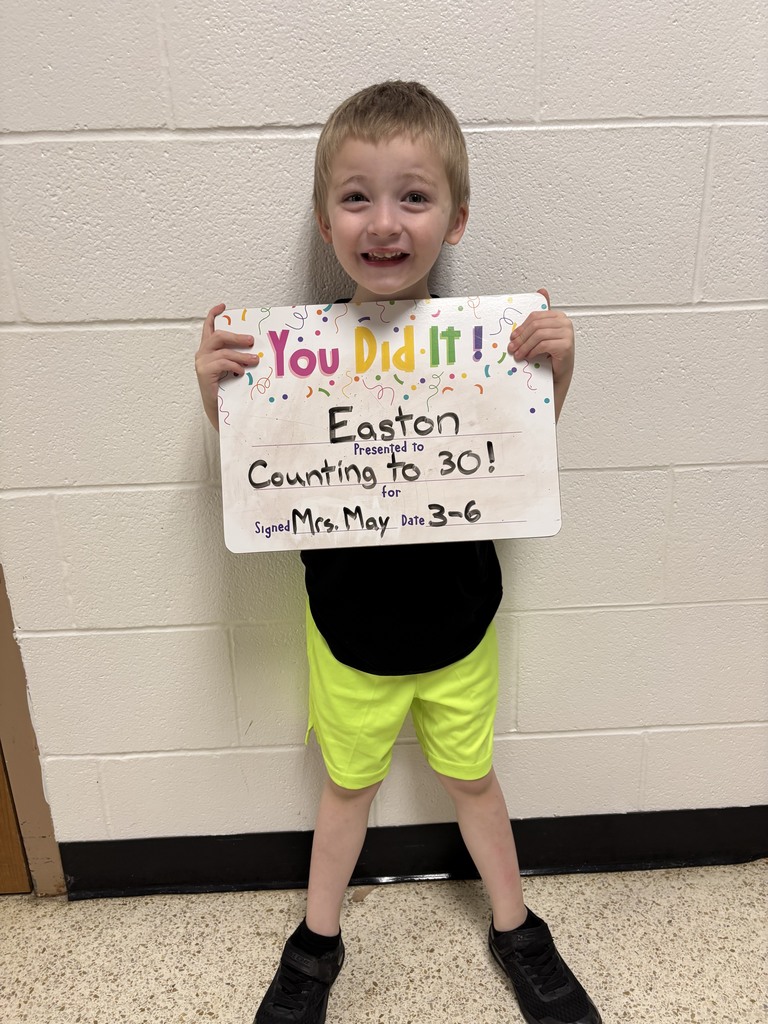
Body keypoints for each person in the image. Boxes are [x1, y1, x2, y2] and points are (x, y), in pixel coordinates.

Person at [195, 81, 600, 1024]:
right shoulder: (297, 354)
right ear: (324, 218)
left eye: (413, 196)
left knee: (473, 779)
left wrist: (558, 365)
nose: (385, 221)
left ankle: (516, 927)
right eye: (357, 196)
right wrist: (215, 390)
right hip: (349, 638)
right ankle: (316, 940)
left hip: (461, 632)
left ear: (456, 220)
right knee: (347, 791)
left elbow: (518, 454)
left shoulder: (483, 349)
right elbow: (262, 467)